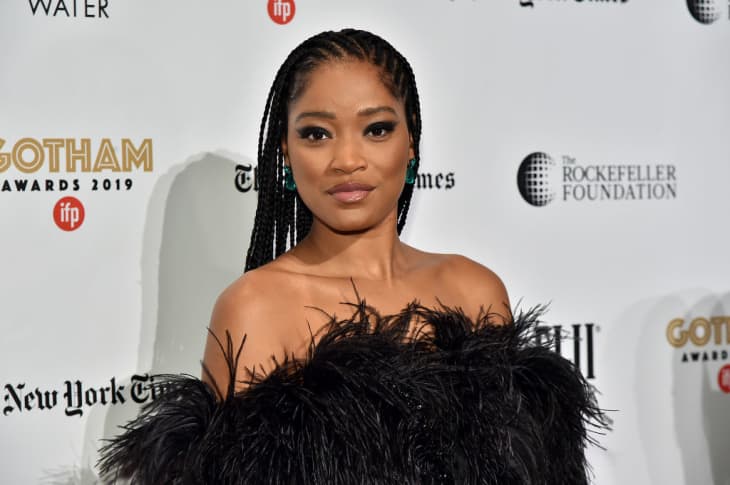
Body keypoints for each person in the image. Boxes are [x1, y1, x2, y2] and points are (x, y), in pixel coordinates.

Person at [99, 29, 606, 484]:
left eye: (376, 129)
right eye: (317, 133)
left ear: (411, 143)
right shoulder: (256, 307)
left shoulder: (474, 290)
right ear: (285, 153)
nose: (346, 160)